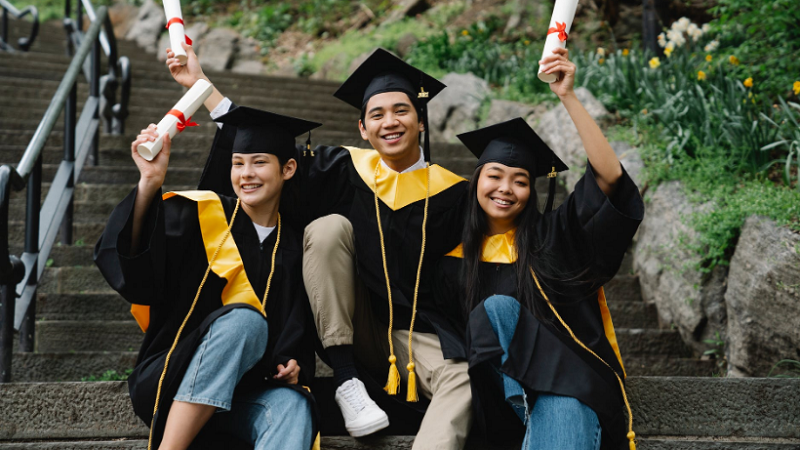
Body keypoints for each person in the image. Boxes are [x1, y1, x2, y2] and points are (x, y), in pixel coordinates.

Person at [164, 44, 473, 449]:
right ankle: (346, 382)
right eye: (376, 115)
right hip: (349, 320)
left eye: (401, 111)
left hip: (412, 331)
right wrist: (202, 88)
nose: (390, 122)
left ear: (421, 122)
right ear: (362, 128)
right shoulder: (342, 168)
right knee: (327, 229)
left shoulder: (455, 194)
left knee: (464, 377)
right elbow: (264, 161)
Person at [434, 48, 645, 450]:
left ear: (532, 192)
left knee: (562, 402)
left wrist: (568, 96)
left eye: (520, 180)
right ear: (476, 180)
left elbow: (610, 179)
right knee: (495, 311)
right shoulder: (452, 267)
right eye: (495, 175)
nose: (505, 189)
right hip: (502, 409)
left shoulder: (554, 239)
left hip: (575, 391)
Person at [94, 106, 321, 450]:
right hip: (174, 378)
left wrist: (294, 366)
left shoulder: (295, 246)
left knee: (295, 405)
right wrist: (150, 182)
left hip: (245, 393)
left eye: (259, 162)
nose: (246, 174)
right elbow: (138, 270)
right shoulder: (200, 216)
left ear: (288, 168)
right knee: (246, 320)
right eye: (237, 163)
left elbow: (296, 332)